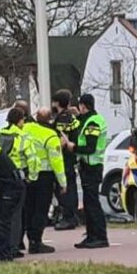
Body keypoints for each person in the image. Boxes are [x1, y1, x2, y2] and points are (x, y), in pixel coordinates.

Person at [64, 93, 109, 249]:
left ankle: (100, 236)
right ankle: (91, 236)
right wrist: (77, 116)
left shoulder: (93, 123)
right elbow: (81, 127)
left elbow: (90, 148)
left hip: (92, 167)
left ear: (83, 106)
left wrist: (73, 147)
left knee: (93, 203)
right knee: (89, 204)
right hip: (87, 167)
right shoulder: (89, 120)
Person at [0, 107, 36, 257]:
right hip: (16, 177)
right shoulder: (23, 136)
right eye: (23, 119)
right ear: (19, 121)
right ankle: (13, 247)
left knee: (1, 214)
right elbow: (33, 159)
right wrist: (32, 177)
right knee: (16, 215)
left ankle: (0, 246)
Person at [23, 107, 67, 254]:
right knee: (41, 209)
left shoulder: (26, 128)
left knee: (29, 208)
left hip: (29, 174)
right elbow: (57, 161)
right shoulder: (50, 135)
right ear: (50, 119)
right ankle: (36, 241)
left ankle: (27, 239)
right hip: (45, 177)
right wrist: (63, 183)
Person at [52, 89, 81, 230]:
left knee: (64, 189)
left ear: (57, 103)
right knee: (72, 187)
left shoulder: (62, 119)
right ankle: (72, 216)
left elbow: (62, 139)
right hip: (72, 157)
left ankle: (68, 217)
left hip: (63, 158)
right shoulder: (73, 119)